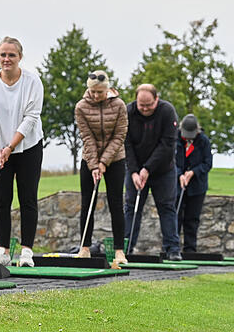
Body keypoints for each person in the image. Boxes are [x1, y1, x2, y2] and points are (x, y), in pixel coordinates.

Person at [0, 37, 44, 267]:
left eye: (11, 55)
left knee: (27, 198)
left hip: (28, 146)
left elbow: (31, 118)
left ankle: (26, 251)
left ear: (20, 57)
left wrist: (10, 147)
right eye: (2, 55)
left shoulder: (32, 81)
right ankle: (3, 250)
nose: (6, 59)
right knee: (1, 199)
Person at [74, 71, 128, 264]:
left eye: (99, 92)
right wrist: (94, 165)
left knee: (116, 204)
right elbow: (87, 137)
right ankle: (85, 247)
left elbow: (119, 136)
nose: (95, 96)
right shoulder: (81, 107)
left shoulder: (119, 105)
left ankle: (120, 251)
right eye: (92, 91)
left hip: (116, 159)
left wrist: (104, 162)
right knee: (87, 202)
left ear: (107, 90)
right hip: (89, 158)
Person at [123, 84, 182, 260]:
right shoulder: (128, 112)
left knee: (167, 208)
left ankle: (172, 249)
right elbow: (126, 144)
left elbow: (167, 145)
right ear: (136, 100)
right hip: (135, 170)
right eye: (142, 105)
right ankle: (125, 247)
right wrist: (134, 171)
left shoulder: (167, 111)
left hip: (163, 170)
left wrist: (147, 168)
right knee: (131, 207)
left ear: (156, 99)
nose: (145, 109)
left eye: (149, 105)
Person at [175, 114, 213, 253]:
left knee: (192, 219)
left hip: (197, 187)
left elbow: (208, 163)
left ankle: (190, 250)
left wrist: (193, 172)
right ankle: (172, 248)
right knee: (175, 217)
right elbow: (171, 161)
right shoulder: (175, 138)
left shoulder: (203, 141)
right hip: (178, 185)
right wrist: (179, 174)